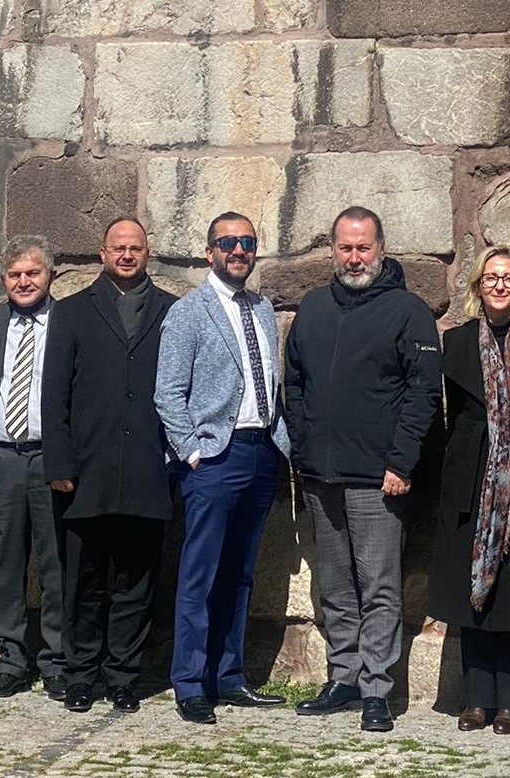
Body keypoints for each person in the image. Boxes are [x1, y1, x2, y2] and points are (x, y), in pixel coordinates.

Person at [284, 206, 441, 733]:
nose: (355, 258)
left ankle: (377, 689)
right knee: (335, 586)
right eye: (346, 248)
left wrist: (401, 461)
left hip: (379, 477)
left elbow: (423, 393)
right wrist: (303, 448)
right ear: (333, 250)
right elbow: (294, 383)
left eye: (364, 247)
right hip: (320, 474)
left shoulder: (408, 311)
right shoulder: (313, 307)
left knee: (378, 587)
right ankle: (344, 676)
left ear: (381, 248)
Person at [155, 212, 292, 725]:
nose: (239, 250)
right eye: (228, 242)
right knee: (201, 574)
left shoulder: (263, 308)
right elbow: (168, 392)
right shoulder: (189, 312)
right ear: (209, 251)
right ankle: (190, 683)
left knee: (240, 573)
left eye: (248, 242)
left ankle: (229, 676)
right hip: (215, 456)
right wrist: (193, 452)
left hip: (262, 452)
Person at [43, 217, 178, 715]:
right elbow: (53, 393)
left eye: (135, 248)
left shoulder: (172, 311)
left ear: (147, 253)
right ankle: (80, 675)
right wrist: (58, 463)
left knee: (136, 585)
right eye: (118, 247)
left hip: (147, 470)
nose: (126, 255)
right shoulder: (72, 312)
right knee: (84, 582)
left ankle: (123, 676)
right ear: (103, 253)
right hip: (87, 473)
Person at [426, 247, 510, 735]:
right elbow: (451, 415)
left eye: (509, 278)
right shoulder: (456, 342)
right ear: (478, 285)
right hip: (472, 478)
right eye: (491, 277)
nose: (500, 285)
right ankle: (477, 698)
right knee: (473, 594)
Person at [0, 235, 67, 701]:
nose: (23, 282)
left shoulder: (69, 320)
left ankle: (57, 659)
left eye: (32, 273)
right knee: (5, 564)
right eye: (14, 275)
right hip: (2, 457)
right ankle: (10, 659)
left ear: (50, 275)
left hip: (51, 458)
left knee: (56, 563)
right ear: (3, 280)